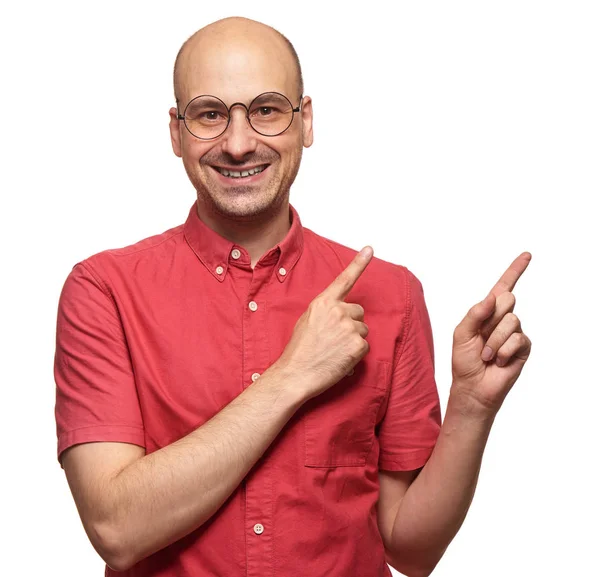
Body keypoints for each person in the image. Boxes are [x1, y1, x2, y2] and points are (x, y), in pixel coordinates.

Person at [54, 16, 532, 577]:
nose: (238, 144)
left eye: (266, 109)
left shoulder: (391, 294)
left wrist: (472, 407)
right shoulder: (103, 290)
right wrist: (293, 374)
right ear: (176, 132)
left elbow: (411, 550)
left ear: (304, 121)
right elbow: (116, 529)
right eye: (210, 114)